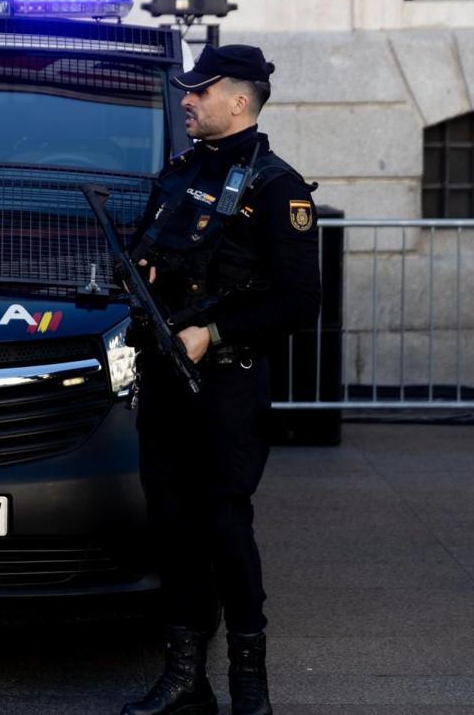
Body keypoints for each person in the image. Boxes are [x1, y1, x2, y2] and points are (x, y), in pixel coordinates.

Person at [120, 45, 320, 715]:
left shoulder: (275, 186)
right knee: (172, 528)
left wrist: (216, 333)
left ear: (240, 100)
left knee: (226, 528)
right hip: (167, 382)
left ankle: (249, 687)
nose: (187, 100)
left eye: (200, 91)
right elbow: (149, 247)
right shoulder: (178, 173)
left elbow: (299, 300)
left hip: (228, 389)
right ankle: (184, 680)